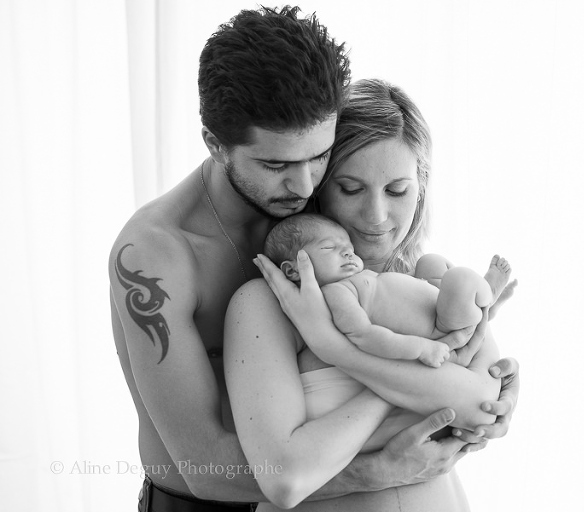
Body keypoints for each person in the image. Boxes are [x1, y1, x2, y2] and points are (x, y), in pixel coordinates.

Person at [109, 7, 519, 511]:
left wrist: (482, 377)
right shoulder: (156, 257)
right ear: (215, 144)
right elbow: (204, 467)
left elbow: (463, 386)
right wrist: (379, 467)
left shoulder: (330, 228)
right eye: (275, 164)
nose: (304, 185)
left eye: (319, 157)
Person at [225, 78, 519, 511]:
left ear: (420, 190)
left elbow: (483, 408)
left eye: (397, 190)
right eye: (351, 188)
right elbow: (285, 477)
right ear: (319, 187)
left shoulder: (430, 284)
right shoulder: (271, 303)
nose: (376, 215)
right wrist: (418, 389)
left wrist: (336, 348)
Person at [263, 213, 513, 367]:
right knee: (460, 279)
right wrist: (421, 349)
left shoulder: (359, 277)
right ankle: (485, 296)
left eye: (349, 248)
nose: (348, 252)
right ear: (293, 270)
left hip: (436, 301)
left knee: (430, 261)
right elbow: (366, 336)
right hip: (438, 327)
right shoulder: (334, 293)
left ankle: (482, 307)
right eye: (329, 248)